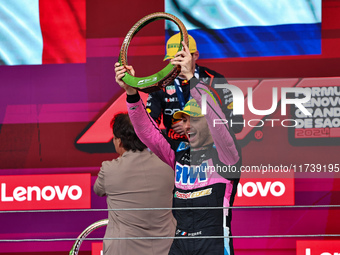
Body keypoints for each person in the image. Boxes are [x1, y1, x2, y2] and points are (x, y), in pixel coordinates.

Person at [115, 42, 241, 255]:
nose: (186, 127)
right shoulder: (178, 152)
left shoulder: (227, 156)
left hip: (214, 247)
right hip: (180, 246)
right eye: (183, 120)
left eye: (193, 120)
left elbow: (215, 116)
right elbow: (147, 132)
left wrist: (192, 78)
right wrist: (131, 93)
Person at [93, 113, 176, 255]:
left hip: (123, 250)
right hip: (166, 249)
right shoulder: (167, 165)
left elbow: (98, 190)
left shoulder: (109, 169)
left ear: (119, 141)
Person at [146, 32, 244, 141]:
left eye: (182, 59)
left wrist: (197, 125)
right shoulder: (162, 83)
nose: (177, 65)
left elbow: (236, 124)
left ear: (195, 55)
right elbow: (148, 127)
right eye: (173, 60)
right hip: (175, 150)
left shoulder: (214, 80)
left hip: (211, 149)